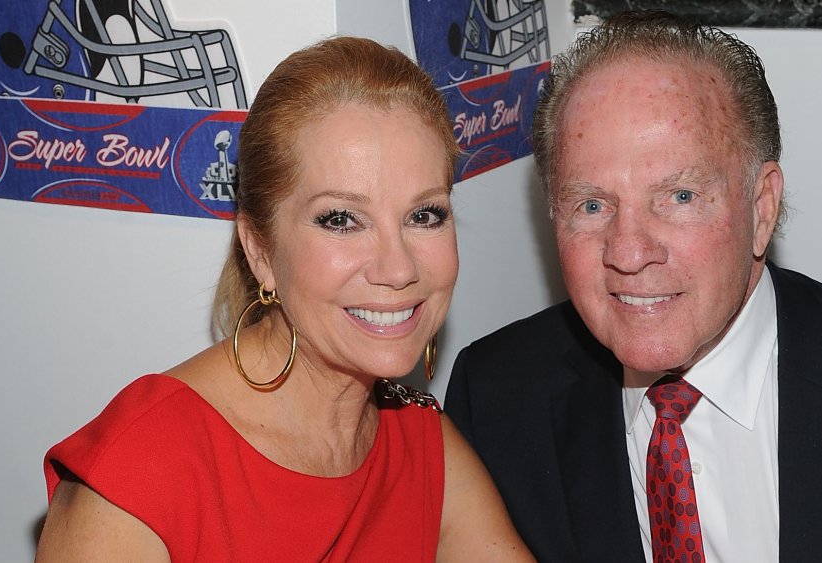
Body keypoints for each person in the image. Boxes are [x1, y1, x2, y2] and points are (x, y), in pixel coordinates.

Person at [446, 10, 822, 563]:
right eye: (591, 204)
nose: (629, 253)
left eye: (679, 197)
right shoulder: (495, 401)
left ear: (761, 207)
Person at [35, 37, 533, 562]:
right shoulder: (142, 472)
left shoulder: (424, 443)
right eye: (341, 219)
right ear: (260, 249)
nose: (399, 268)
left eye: (424, 215)